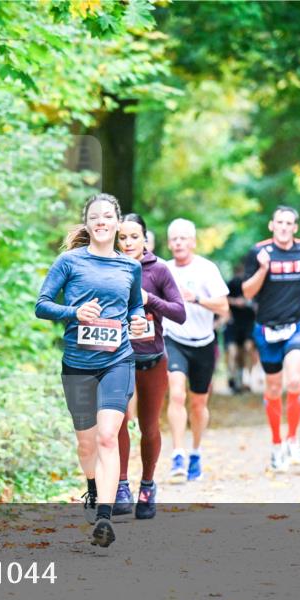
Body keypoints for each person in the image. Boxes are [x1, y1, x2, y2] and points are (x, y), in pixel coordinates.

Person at [35, 193, 148, 547]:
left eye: (107, 216)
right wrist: (74, 313)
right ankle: (92, 488)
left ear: (117, 223)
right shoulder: (70, 262)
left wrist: (139, 322)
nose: (101, 222)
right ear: (88, 224)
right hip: (78, 363)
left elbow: (136, 308)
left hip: (118, 360)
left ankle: (104, 516)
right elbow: (42, 305)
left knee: (107, 437)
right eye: (94, 217)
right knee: (86, 446)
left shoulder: (130, 267)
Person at [114, 214, 186, 519]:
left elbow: (180, 312)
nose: (129, 243)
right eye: (123, 238)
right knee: (117, 420)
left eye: (134, 237)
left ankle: (147, 484)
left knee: (149, 426)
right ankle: (119, 486)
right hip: (117, 359)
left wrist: (149, 300)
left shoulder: (158, 270)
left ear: (145, 239)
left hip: (152, 360)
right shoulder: (107, 268)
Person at [242, 205, 300, 473]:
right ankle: (277, 444)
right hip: (267, 329)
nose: (284, 227)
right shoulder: (258, 252)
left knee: (295, 379)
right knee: (274, 389)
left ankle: (293, 439)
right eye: (280, 222)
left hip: (298, 324)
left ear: (296, 228)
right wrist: (263, 269)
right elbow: (247, 292)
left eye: (289, 223)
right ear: (271, 225)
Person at [161, 218, 230, 482]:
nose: (178, 243)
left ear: (193, 242)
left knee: (198, 403)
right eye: (174, 239)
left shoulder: (206, 269)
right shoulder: (163, 270)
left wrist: (196, 299)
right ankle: (177, 453)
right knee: (176, 394)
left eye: (183, 238)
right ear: (169, 244)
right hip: (174, 339)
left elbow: (224, 307)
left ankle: (196, 452)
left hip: (203, 342)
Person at [224, 262, 258, 394]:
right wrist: (235, 302)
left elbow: (258, 302)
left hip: (248, 322)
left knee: (248, 349)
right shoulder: (231, 284)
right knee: (233, 352)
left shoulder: (253, 283)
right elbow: (223, 299)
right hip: (233, 323)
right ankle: (233, 378)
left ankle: (247, 379)